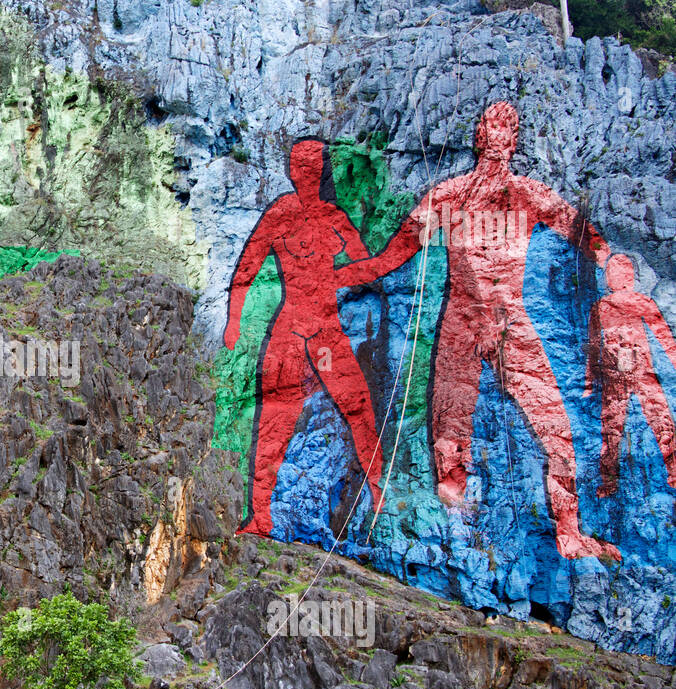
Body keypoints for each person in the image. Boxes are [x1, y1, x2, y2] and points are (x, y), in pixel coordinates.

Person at [397, 100, 618, 560]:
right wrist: (358, 269)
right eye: (491, 126)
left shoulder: (526, 194)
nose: (498, 136)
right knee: (450, 417)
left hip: (510, 320)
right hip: (461, 317)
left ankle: (569, 531)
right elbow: (403, 241)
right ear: (479, 136)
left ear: (514, 141)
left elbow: (575, 226)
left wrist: (608, 259)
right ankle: (452, 498)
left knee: (555, 424)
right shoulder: (450, 193)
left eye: (507, 128)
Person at [223, 138, 422, 535]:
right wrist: (234, 321)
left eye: (316, 164)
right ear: (293, 170)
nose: (308, 171)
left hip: (326, 332)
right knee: (276, 417)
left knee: (357, 405)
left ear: (322, 171)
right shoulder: (280, 214)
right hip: (289, 330)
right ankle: (260, 514)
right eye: (302, 164)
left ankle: (379, 488)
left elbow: (364, 261)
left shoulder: (334, 216)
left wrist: (354, 271)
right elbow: (247, 267)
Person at [587, 254, 676, 497]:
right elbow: (593, 347)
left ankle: (674, 473)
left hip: (643, 371)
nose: (615, 276)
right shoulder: (600, 308)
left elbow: (664, 337)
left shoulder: (642, 302)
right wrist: (588, 382)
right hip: (614, 376)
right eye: (611, 271)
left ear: (630, 276)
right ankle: (609, 481)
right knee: (611, 431)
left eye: (621, 271)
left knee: (661, 421)